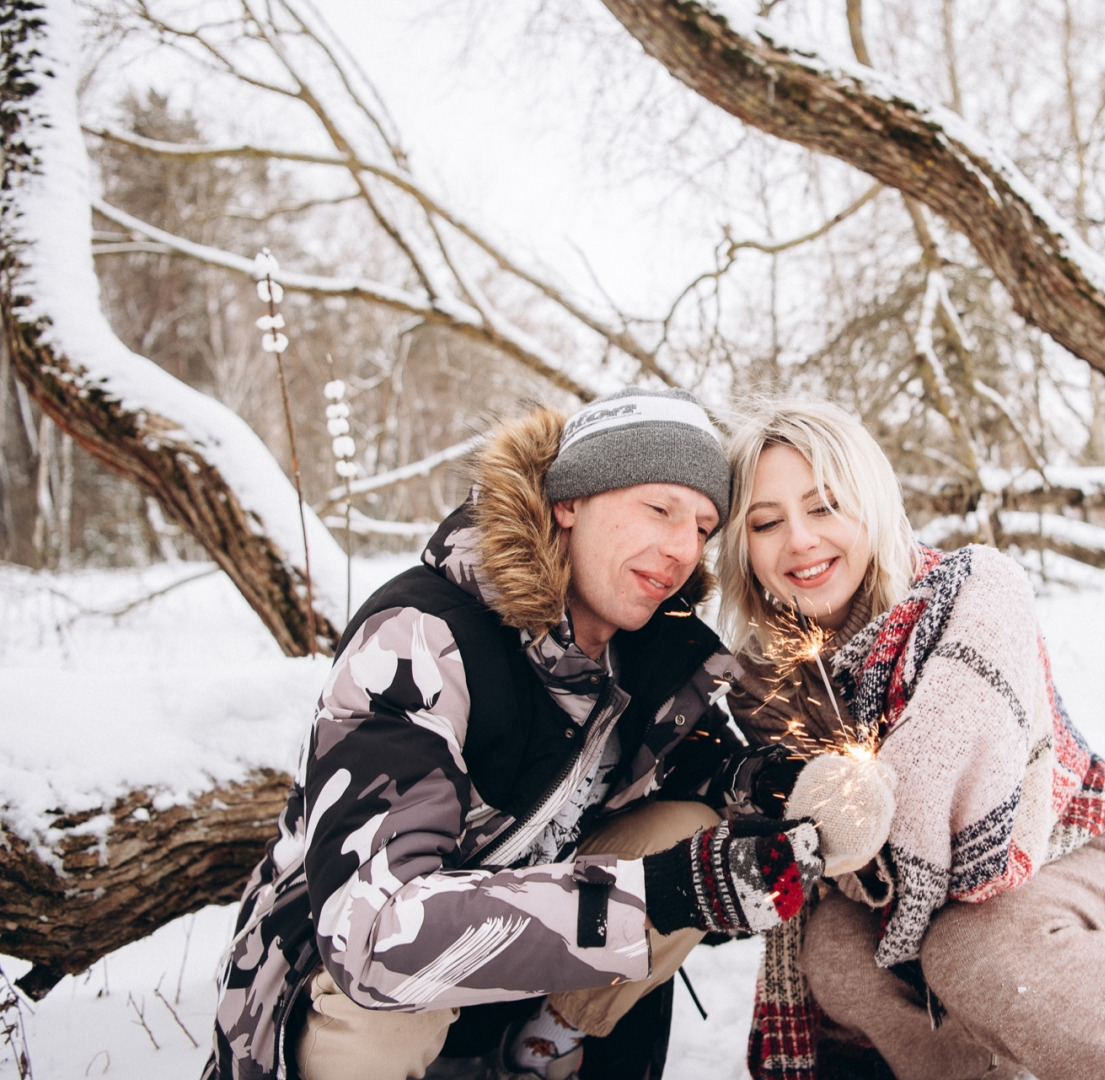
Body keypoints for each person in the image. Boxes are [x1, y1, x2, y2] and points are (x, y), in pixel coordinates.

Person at [205, 388, 822, 1080]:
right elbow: (373, 937)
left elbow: (703, 767)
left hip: (516, 990)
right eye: (659, 509)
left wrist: (776, 783)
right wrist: (662, 894)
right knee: (386, 1017)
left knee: (692, 828)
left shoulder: (647, 651)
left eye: (704, 527)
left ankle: (540, 1053)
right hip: (349, 993)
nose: (682, 549)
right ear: (569, 502)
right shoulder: (422, 638)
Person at [717, 400, 1105, 1080]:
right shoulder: (766, 674)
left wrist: (835, 814)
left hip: (1083, 837)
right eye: (766, 523)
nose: (799, 541)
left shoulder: (970, 590)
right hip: (904, 889)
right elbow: (791, 829)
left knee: (972, 951)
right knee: (834, 957)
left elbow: (936, 815)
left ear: (871, 502)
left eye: (825, 506)